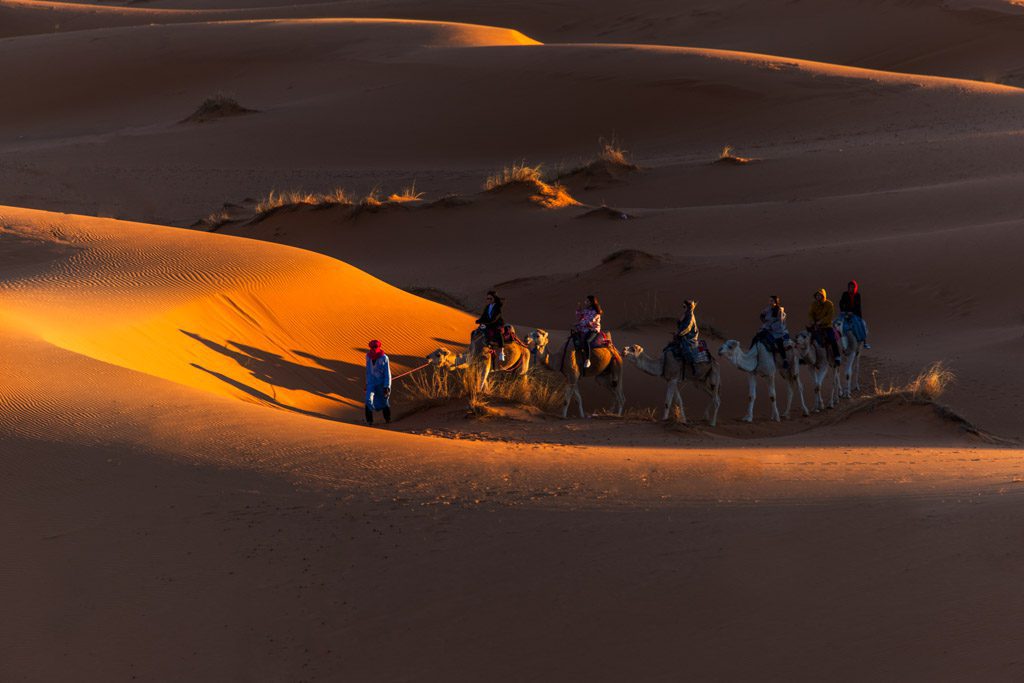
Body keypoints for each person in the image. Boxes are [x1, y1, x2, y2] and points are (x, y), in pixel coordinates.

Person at [754, 295, 790, 369]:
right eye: (769, 301)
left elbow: (780, 322)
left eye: (772, 301)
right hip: (767, 328)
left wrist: (770, 327)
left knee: (779, 343)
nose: (770, 302)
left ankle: (785, 360)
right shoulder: (768, 309)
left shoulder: (779, 310)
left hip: (777, 331)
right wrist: (762, 318)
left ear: (776, 302)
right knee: (757, 337)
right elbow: (763, 315)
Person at [808, 288, 841, 366]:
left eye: (819, 295)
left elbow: (829, 316)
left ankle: (837, 356)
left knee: (832, 339)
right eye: (817, 295)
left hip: (826, 326)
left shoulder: (829, 304)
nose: (818, 297)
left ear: (823, 295)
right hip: (815, 325)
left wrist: (821, 322)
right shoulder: (814, 304)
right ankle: (806, 358)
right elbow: (810, 314)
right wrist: (812, 321)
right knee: (807, 338)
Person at [365, 339, 392, 425]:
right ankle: (369, 421)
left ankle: (388, 419)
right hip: (371, 383)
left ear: (379, 347)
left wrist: (387, 386)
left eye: (375, 347)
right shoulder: (368, 357)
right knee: (368, 399)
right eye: (372, 347)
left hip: (381, 383)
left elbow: (387, 373)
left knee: (384, 401)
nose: (373, 349)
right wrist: (367, 383)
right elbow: (368, 371)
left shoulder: (384, 358)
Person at [839, 280, 871, 349]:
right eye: (850, 287)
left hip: (855, 314)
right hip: (845, 313)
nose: (851, 288)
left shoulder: (857, 295)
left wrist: (853, 313)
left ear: (855, 288)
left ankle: (865, 342)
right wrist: (844, 311)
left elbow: (858, 306)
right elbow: (841, 303)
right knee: (837, 324)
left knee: (861, 325)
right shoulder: (845, 294)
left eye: (853, 287)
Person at [475, 290, 505, 362]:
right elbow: (484, 316)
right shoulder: (488, 307)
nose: (488, 300)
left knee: (498, 334)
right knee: (475, 332)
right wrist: (479, 320)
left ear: (494, 299)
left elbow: (496, 318)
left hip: (496, 324)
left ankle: (501, 353)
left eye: (490, 298)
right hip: (487, 324)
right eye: (487, 298)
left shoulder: (497, 307)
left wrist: (488, 322)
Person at [574, 295, 602, 369]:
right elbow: (580, 316)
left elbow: (590, 322)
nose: (585, 302)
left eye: (587, 301)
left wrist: (579, 323)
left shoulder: (596, 312)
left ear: (591, 302)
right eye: (585, 301)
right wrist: (579, 310)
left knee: (587, 341)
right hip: (584, 328)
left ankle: (588, 360)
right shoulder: (586, 310)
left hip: (593, 329)